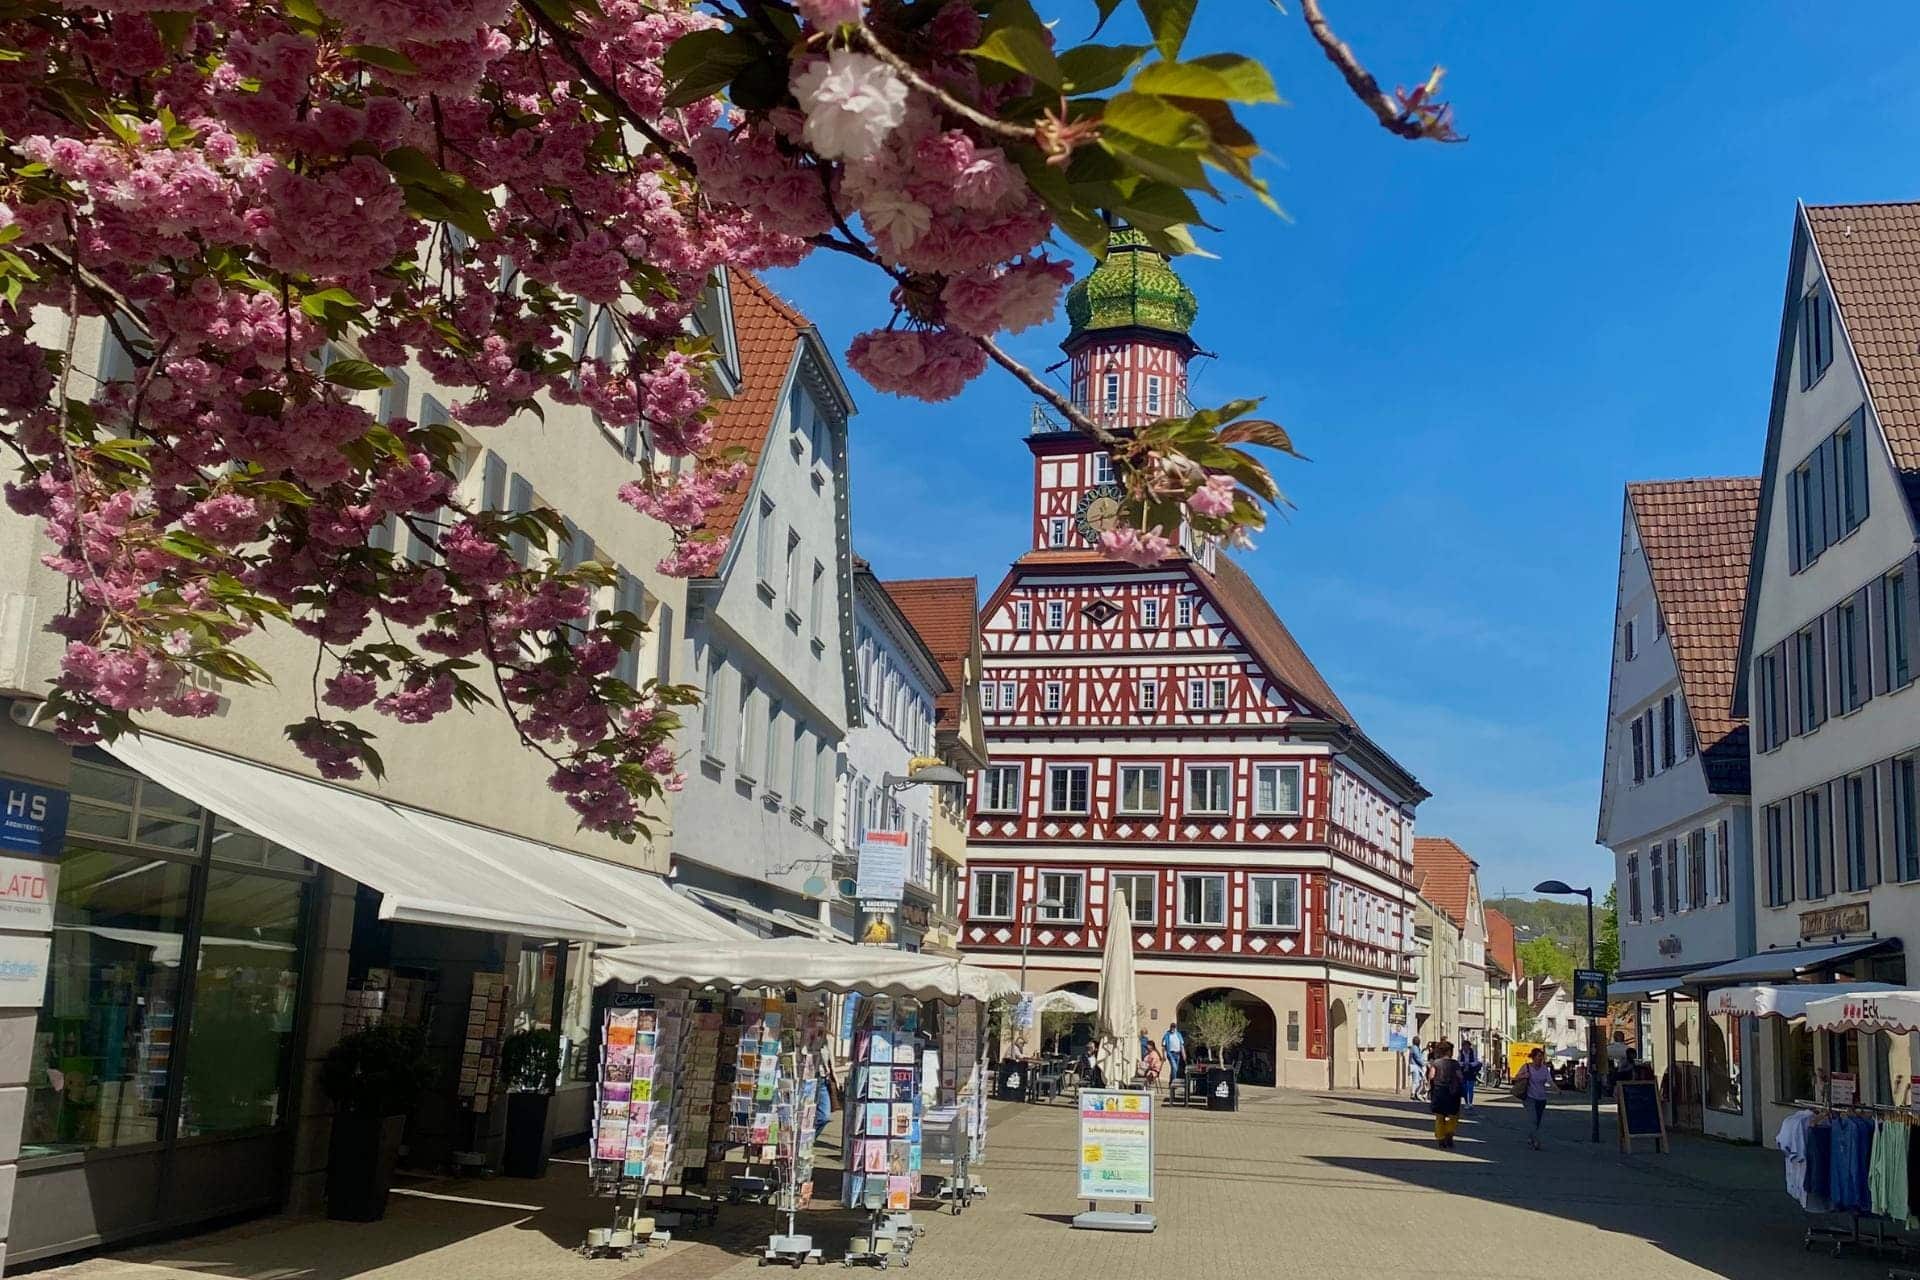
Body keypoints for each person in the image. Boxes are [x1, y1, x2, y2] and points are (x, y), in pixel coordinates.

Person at [1514, 1046, 1554, 1149]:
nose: (1541, 1059)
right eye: (1539, 1056)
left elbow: (1549, 1081)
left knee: (1537, 1121)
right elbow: (1516, 1077)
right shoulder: (1526, 1067)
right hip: (1529, 1097)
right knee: (1533, 1119)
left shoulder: (1544, 1069)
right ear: (1533, 1057)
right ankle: (1536, 1141)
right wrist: (1524, 1076)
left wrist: (1557, 1089)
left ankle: (1531, 1137)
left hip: (1541, 1098)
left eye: (1542, 1057)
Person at [1427, 1040, 1464, 1149]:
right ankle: (1449, 1132)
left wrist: (1430, 1086)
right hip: (1453, 1092)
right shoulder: (1455, 1063)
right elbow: (1460, 1077)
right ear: (1449, 1052)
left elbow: (1431, 1076)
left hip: (1439, 1091)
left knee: (1440, 1116)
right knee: (1454, 1115)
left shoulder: (1436, 1063)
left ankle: (1440, 1137)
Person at [1459, 1037, 1482, 1111]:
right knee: (1465, 1088)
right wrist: (1463, 1064)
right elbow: (1458, 1061)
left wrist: (1470, 1064)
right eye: (1464, 1046)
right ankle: (1466, 1102)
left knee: (1470, 1088)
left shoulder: (1473, 1052)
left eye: (1467, 1046)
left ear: (1469, 1046)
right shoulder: (1460, 1053)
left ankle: (1470, 1103)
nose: (1465, 1048)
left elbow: (1477, 1061)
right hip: (1463, 1072)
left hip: (1471, 1071)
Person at [1406, 1035, 1428, 1101]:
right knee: (1416, 1081)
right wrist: (1424, 1064)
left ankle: (1415, 1093)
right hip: (1415, 1066)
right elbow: (1417, 1058)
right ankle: (1413, 1094)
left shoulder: (1415, 1048)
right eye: (1418, 1041)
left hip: (1415, 1066)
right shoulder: (1415, 1048)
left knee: (1418, 1080)